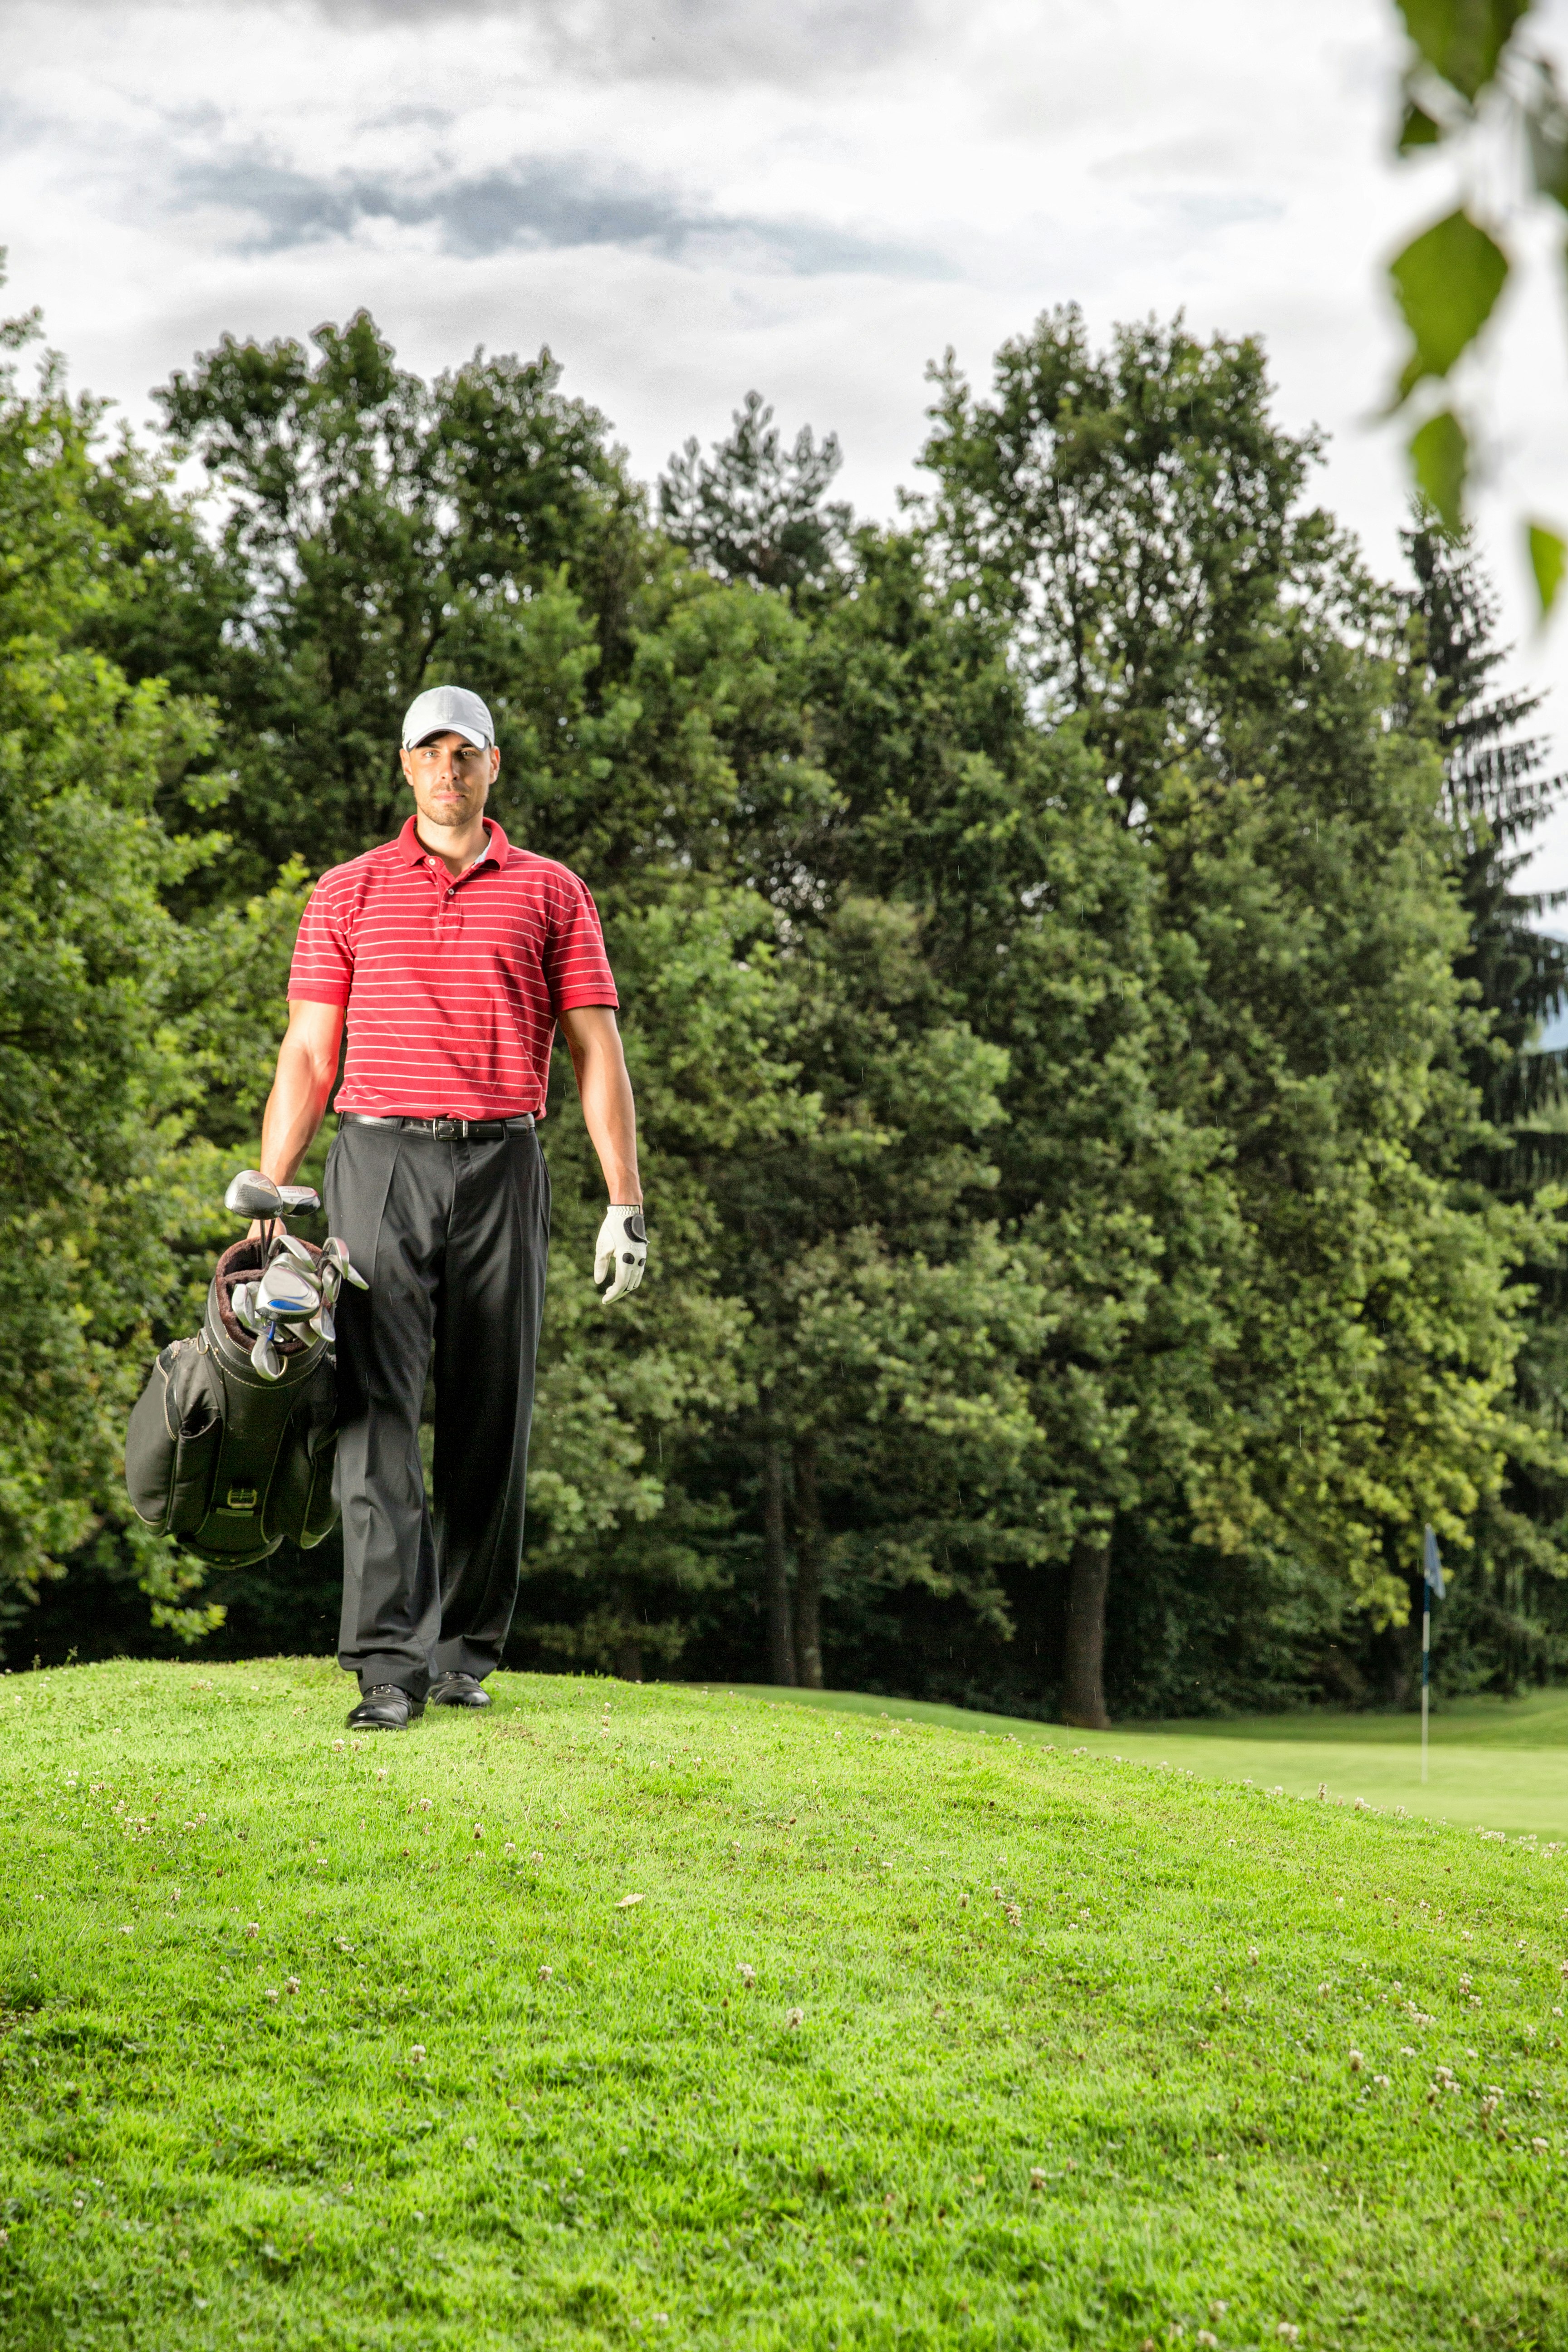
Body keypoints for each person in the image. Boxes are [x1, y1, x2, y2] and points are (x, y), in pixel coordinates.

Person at [255, 683, 647, 1731]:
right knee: (373, 1408)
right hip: (377, 1159)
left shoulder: (555, 893)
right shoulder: (346, 892)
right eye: (429, 751)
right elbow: (306, 1051)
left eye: (464, 752)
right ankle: (389, 1662)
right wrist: (272, 1189)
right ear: (405, 766)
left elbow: (595, 1052)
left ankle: (465, 1646)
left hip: (504, 1164)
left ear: (493, 765)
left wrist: (626, 1202)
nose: (447, 769)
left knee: (492, 1411)